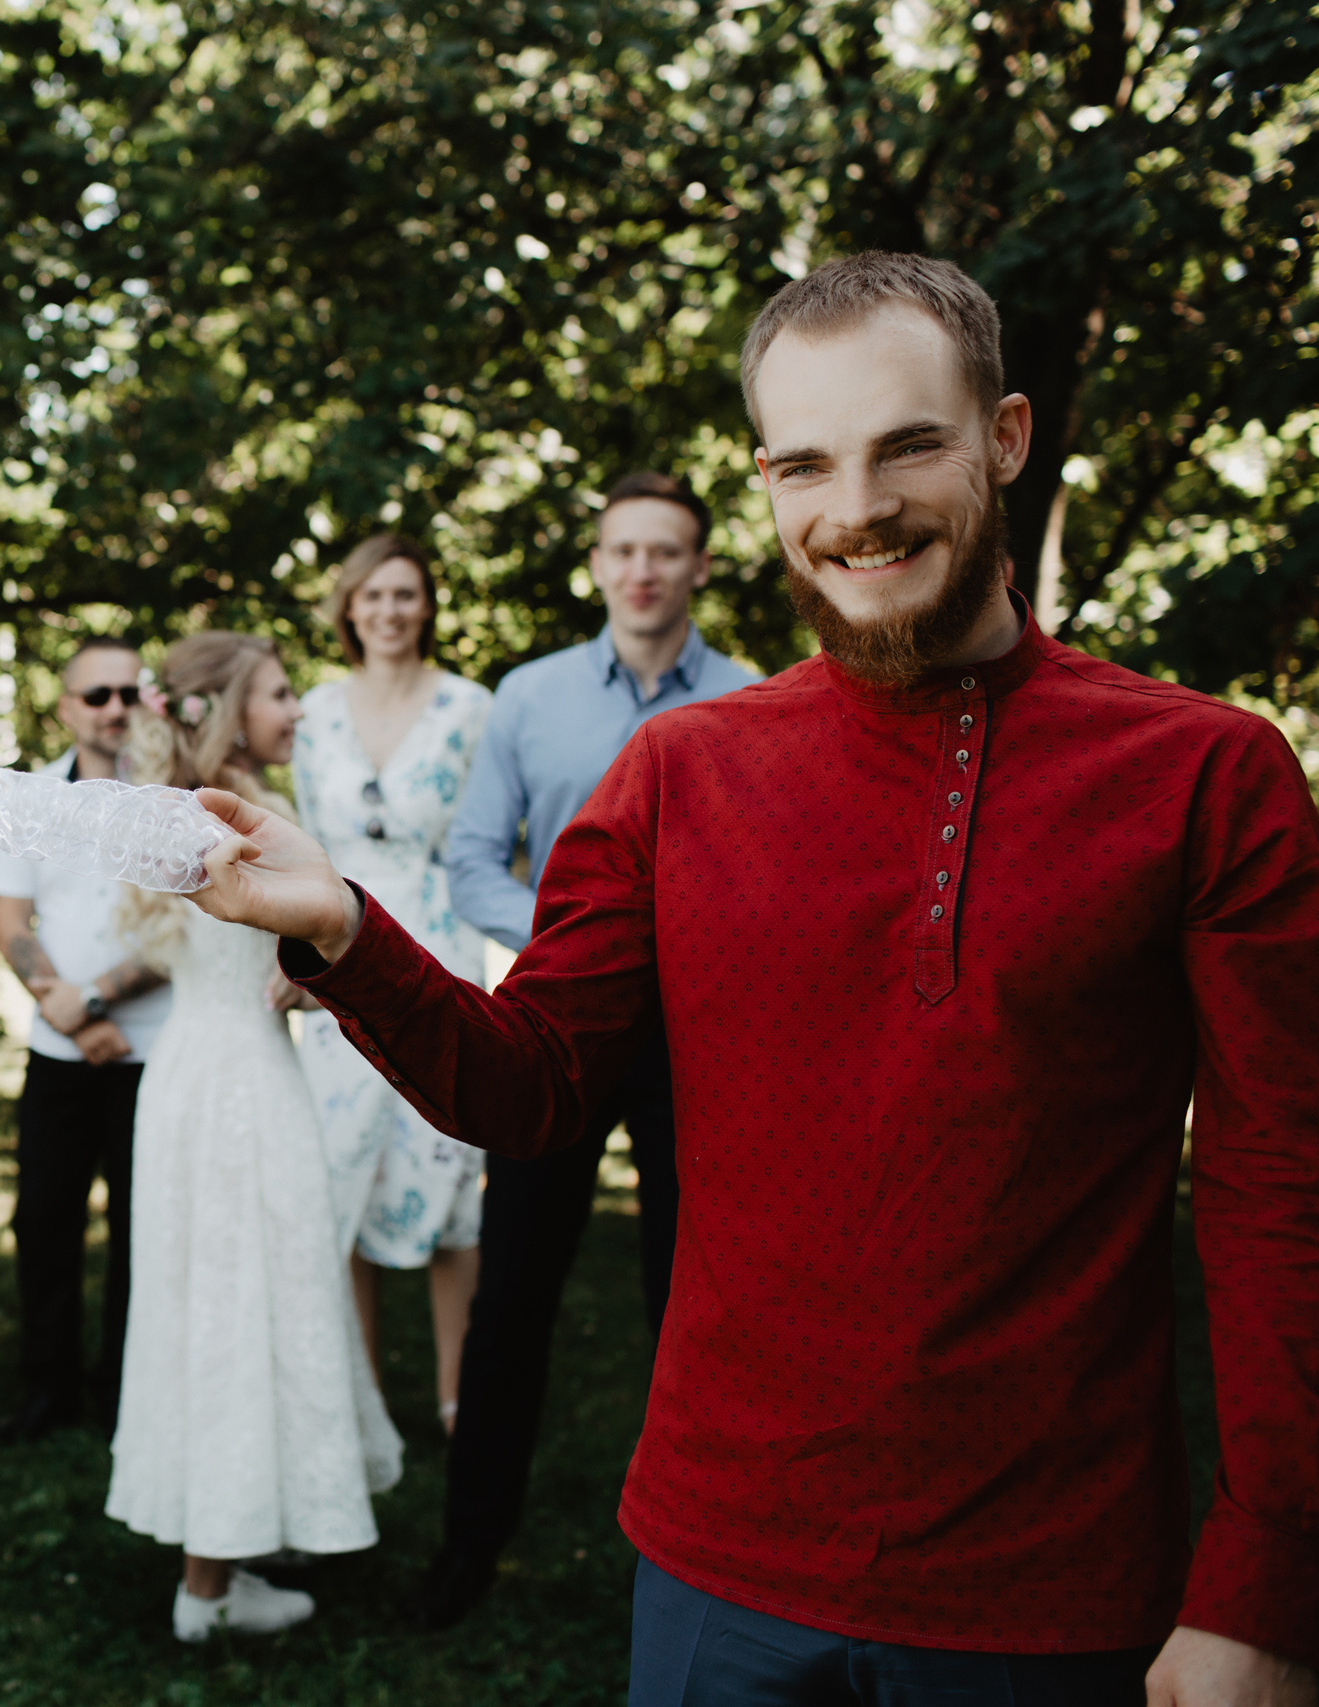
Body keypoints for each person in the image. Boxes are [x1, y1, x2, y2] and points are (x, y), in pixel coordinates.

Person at [183, 253, 1319, 1705]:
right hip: (717, 1572)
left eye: (910, 443)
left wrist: (1270, 1576)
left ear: (1009, 437)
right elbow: (532, 1085)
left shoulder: (1207, 774)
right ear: (767, 479)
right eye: (806, 463)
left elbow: (1283, 1186)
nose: (857, 510)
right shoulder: (674, 773)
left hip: (1057, 1590)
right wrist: (344, 924)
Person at [414, 471, 757, 1626]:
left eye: (666, 551)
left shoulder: (761, 701)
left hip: (702, 1038)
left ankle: (700, 1554)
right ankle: (467, 1549)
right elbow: (472, 864)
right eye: (623, 551)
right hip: (558, 1018)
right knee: (512, 1291)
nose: (643, 570)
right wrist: (581, 941)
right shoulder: (530, 696)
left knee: (693, 1294)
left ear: (700, 566)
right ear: (599, 565)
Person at [106, 632, 400, 1642]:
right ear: (227, 707)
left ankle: (228, 1540)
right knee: (241, 1305)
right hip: (237, 1083)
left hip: (192, 1069)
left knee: (215, 1302)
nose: (298, 710)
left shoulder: (175, 809)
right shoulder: (233, 813)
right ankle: (208, 1585)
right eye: (279, 693)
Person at [289, 533, 494, 1431]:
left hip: (441, 941)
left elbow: (489, 839)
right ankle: (359, 1394)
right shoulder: (315, 711)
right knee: (340, 1172)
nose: (389, 610)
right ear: (349, 607)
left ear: (427, 605)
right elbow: (300, 840)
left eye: (405, 594)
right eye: (373, 595)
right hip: (339, 947)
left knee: (450, 1166)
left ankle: (459, 1392)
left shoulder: (472, 706)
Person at [0, 635, 173, 1443]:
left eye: (129, 693)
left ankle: (124, 1391)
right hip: (61, 1053)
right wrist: (74, 1015)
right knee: (45, 1220)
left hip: (158, 1052)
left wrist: (96, 1000)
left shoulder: (174, 797)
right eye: (96, 695)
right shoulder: (29, 802)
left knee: (145, 1227)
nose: (114, 709)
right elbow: (11, 925)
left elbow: (181, 927)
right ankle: (46, 1384)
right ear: (67, 707)